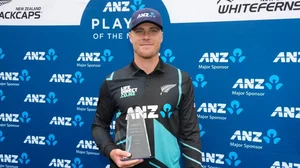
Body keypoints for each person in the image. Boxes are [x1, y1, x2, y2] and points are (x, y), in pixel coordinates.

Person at [92, 7, 203, 168]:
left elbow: (190, 133)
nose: (146, 37)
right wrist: (110, 150)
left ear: (162, 36)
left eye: (153, 30)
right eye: (139, 31)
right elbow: (99, 125)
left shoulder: (181, 79)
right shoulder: (113, 80)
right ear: (130, 37)